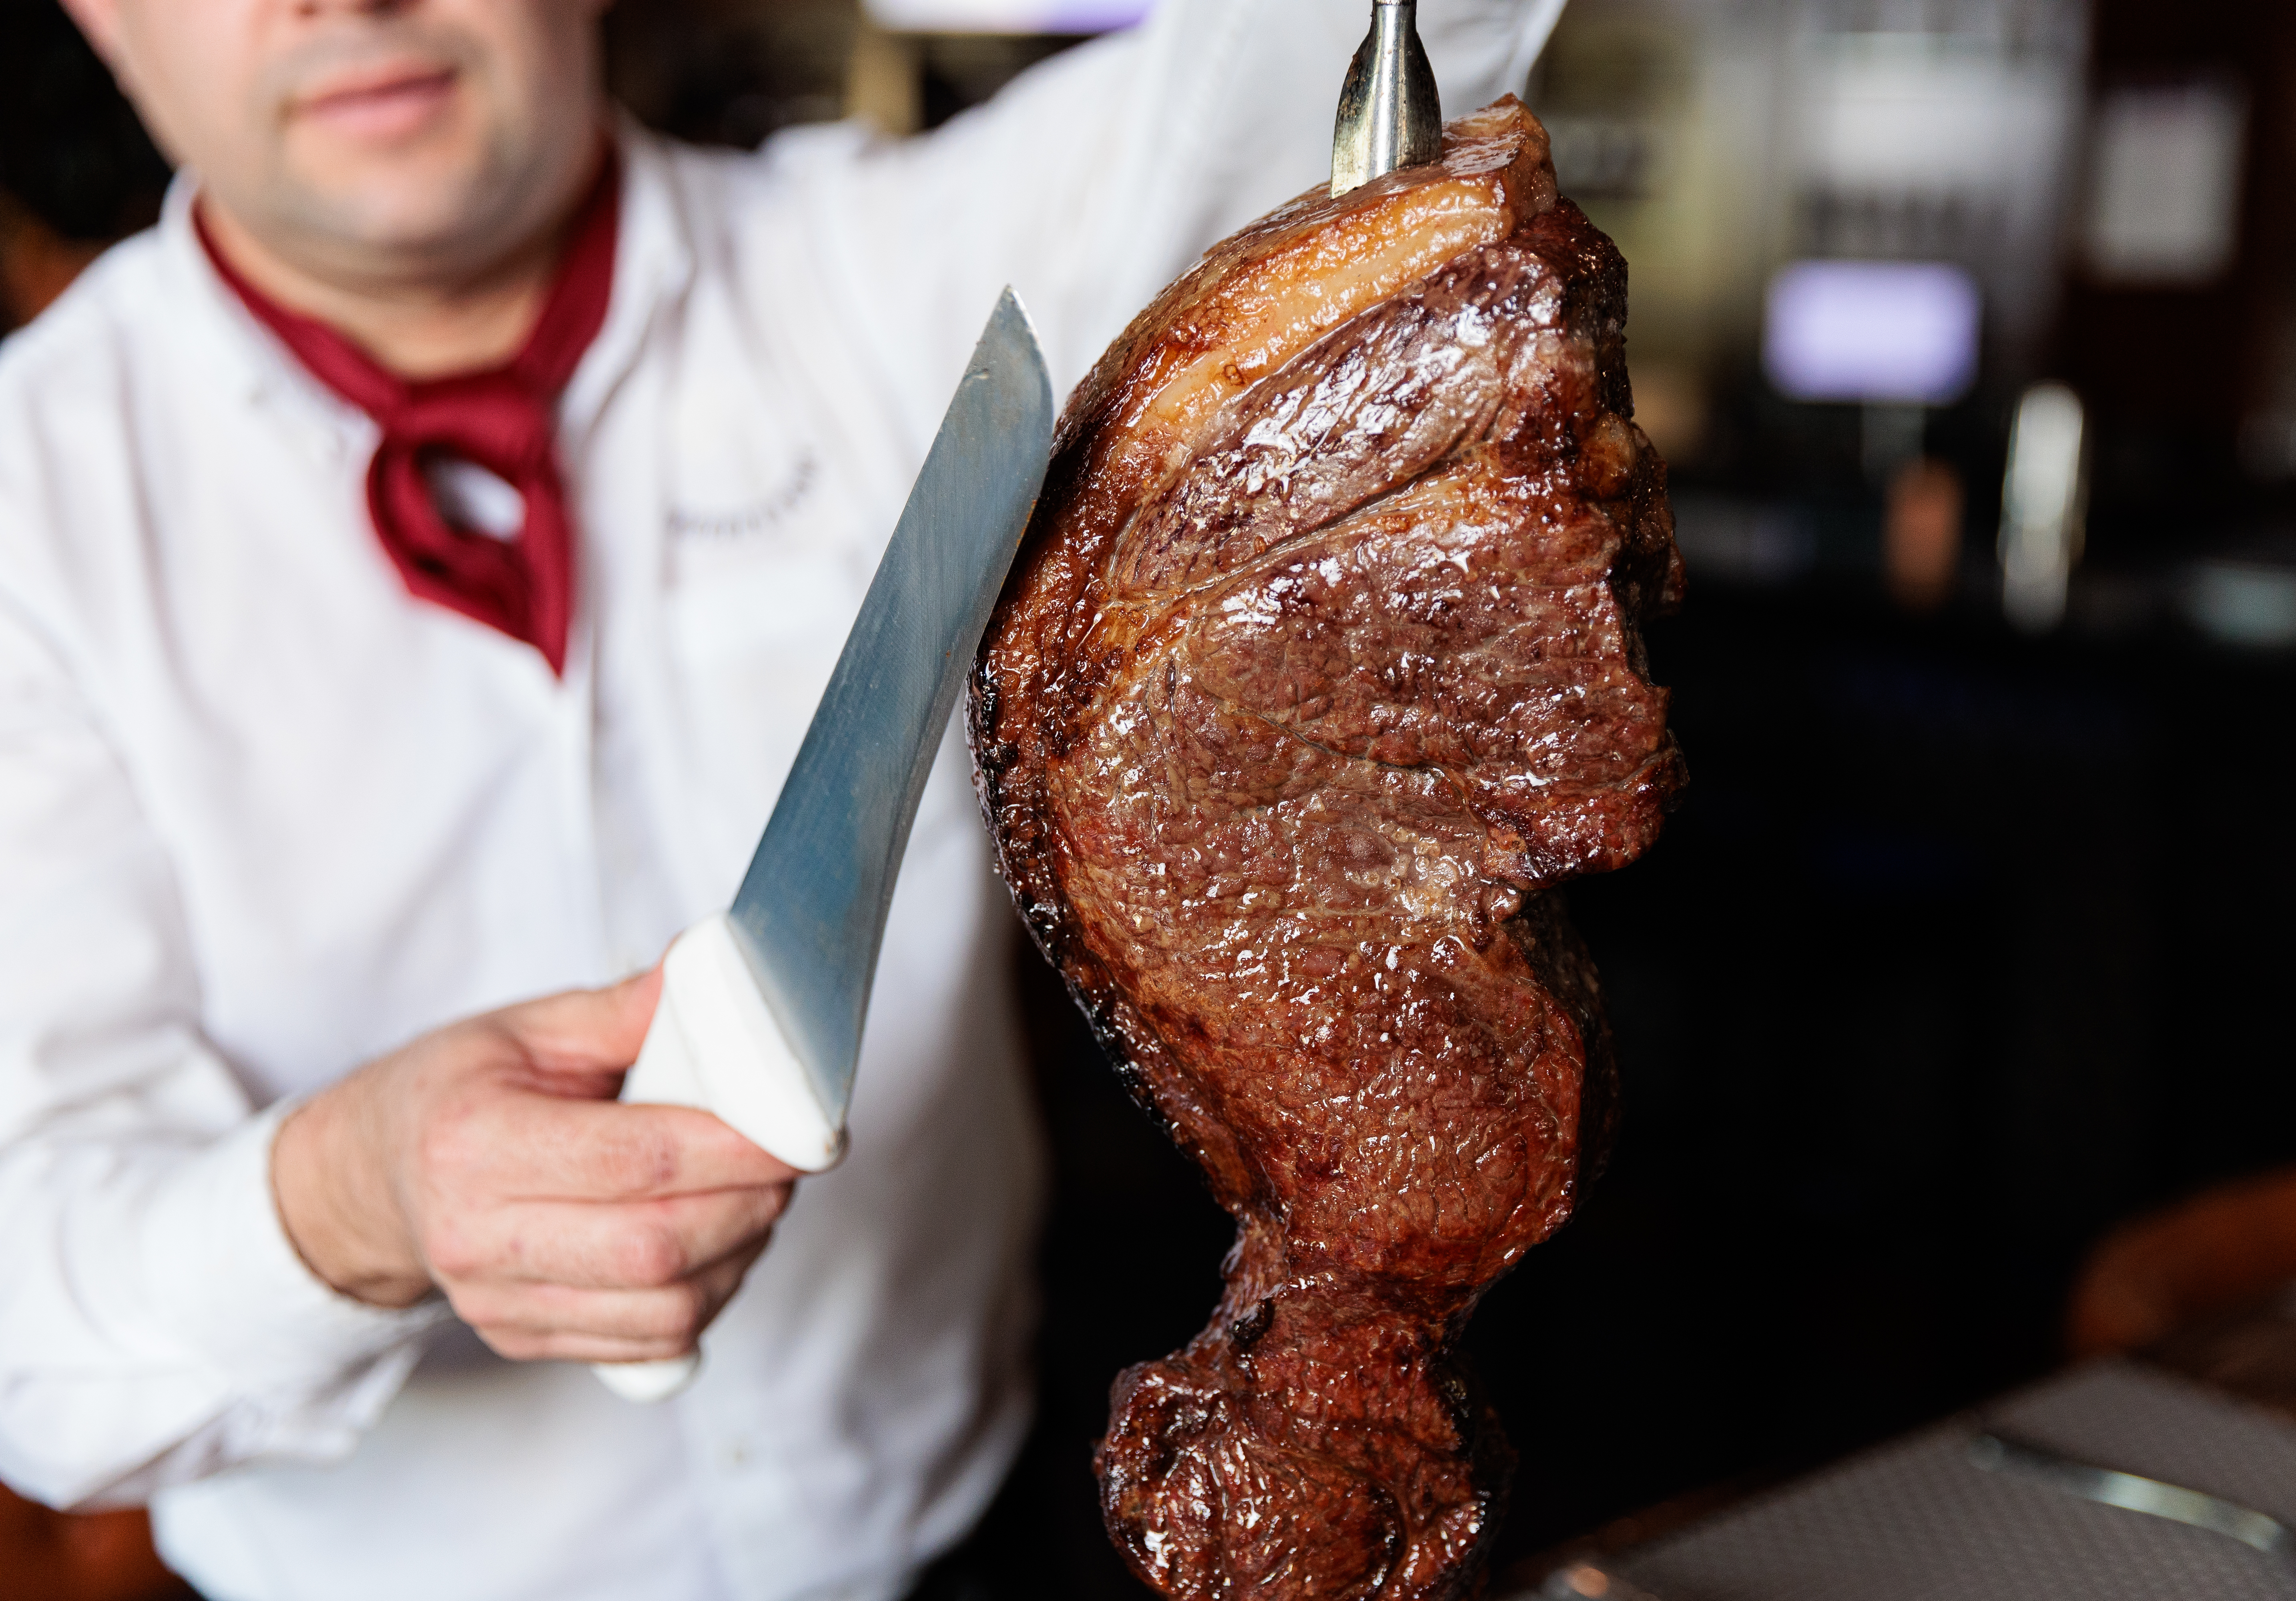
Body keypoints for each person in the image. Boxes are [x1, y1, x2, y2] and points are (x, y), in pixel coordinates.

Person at [0, 1, 1565, 1597]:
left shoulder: (899, 275)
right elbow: (28, 1332)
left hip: (985, 1536)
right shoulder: (32, 510)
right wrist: (356, 1193)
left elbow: (1333, 43)